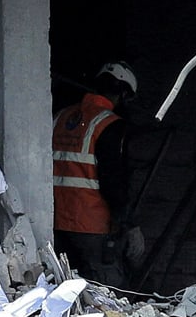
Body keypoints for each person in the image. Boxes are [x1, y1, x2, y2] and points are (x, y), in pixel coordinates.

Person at [53, 63, 139, 280]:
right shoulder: (110, 124)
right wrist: (129, 225)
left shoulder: (60, 117)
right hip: (92, 224)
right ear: (123, 93)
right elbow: (114, 181)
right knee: (106, 293)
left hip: (57, 221)